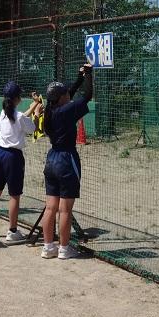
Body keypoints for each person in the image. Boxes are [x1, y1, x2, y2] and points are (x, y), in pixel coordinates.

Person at [40, 64, 93, 260]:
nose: (68, 94)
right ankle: (63, 248)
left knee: (50, 207)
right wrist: (88, 75)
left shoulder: (50, 109)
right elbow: (87, 96)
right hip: (66, 159)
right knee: (65, 209)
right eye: (65, 93)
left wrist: (79, 77)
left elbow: (68, 92)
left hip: (52, 159)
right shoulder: (66, 110)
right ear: (61, 97)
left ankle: (48, 247)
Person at [0, 82, 39, 243]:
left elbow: (21, 117)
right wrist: (37, 113)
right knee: (14, 195)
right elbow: (32, 128)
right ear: (16, 98)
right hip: (13, 157)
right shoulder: (18, 116)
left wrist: (34, 104)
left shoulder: (4, 112)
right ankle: (12, 231)